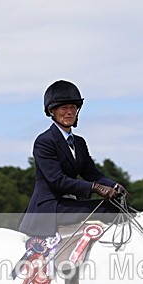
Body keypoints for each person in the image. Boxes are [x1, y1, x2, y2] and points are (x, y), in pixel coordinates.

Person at [18, 80, 124, 237]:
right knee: (106, 210)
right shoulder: (44, 141)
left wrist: (114, 186)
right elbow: (57, 180)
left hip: (69, 204)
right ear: (52, 111)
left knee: (115, 206)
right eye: (64, 107)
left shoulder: (79, 143)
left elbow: (92, 173)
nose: (69, 112)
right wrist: (96, 188)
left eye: (73, 107)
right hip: (50, 207)